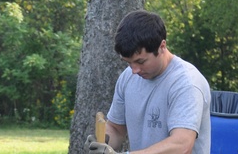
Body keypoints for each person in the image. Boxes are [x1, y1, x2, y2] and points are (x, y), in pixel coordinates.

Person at [84, 10, 211, 154]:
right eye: (129, 63)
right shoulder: (128, 77)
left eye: (140, 61)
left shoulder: (186, 83)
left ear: (162, 46)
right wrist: (102, 143)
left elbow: (181, 145)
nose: (134, 70)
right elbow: (116, 129)